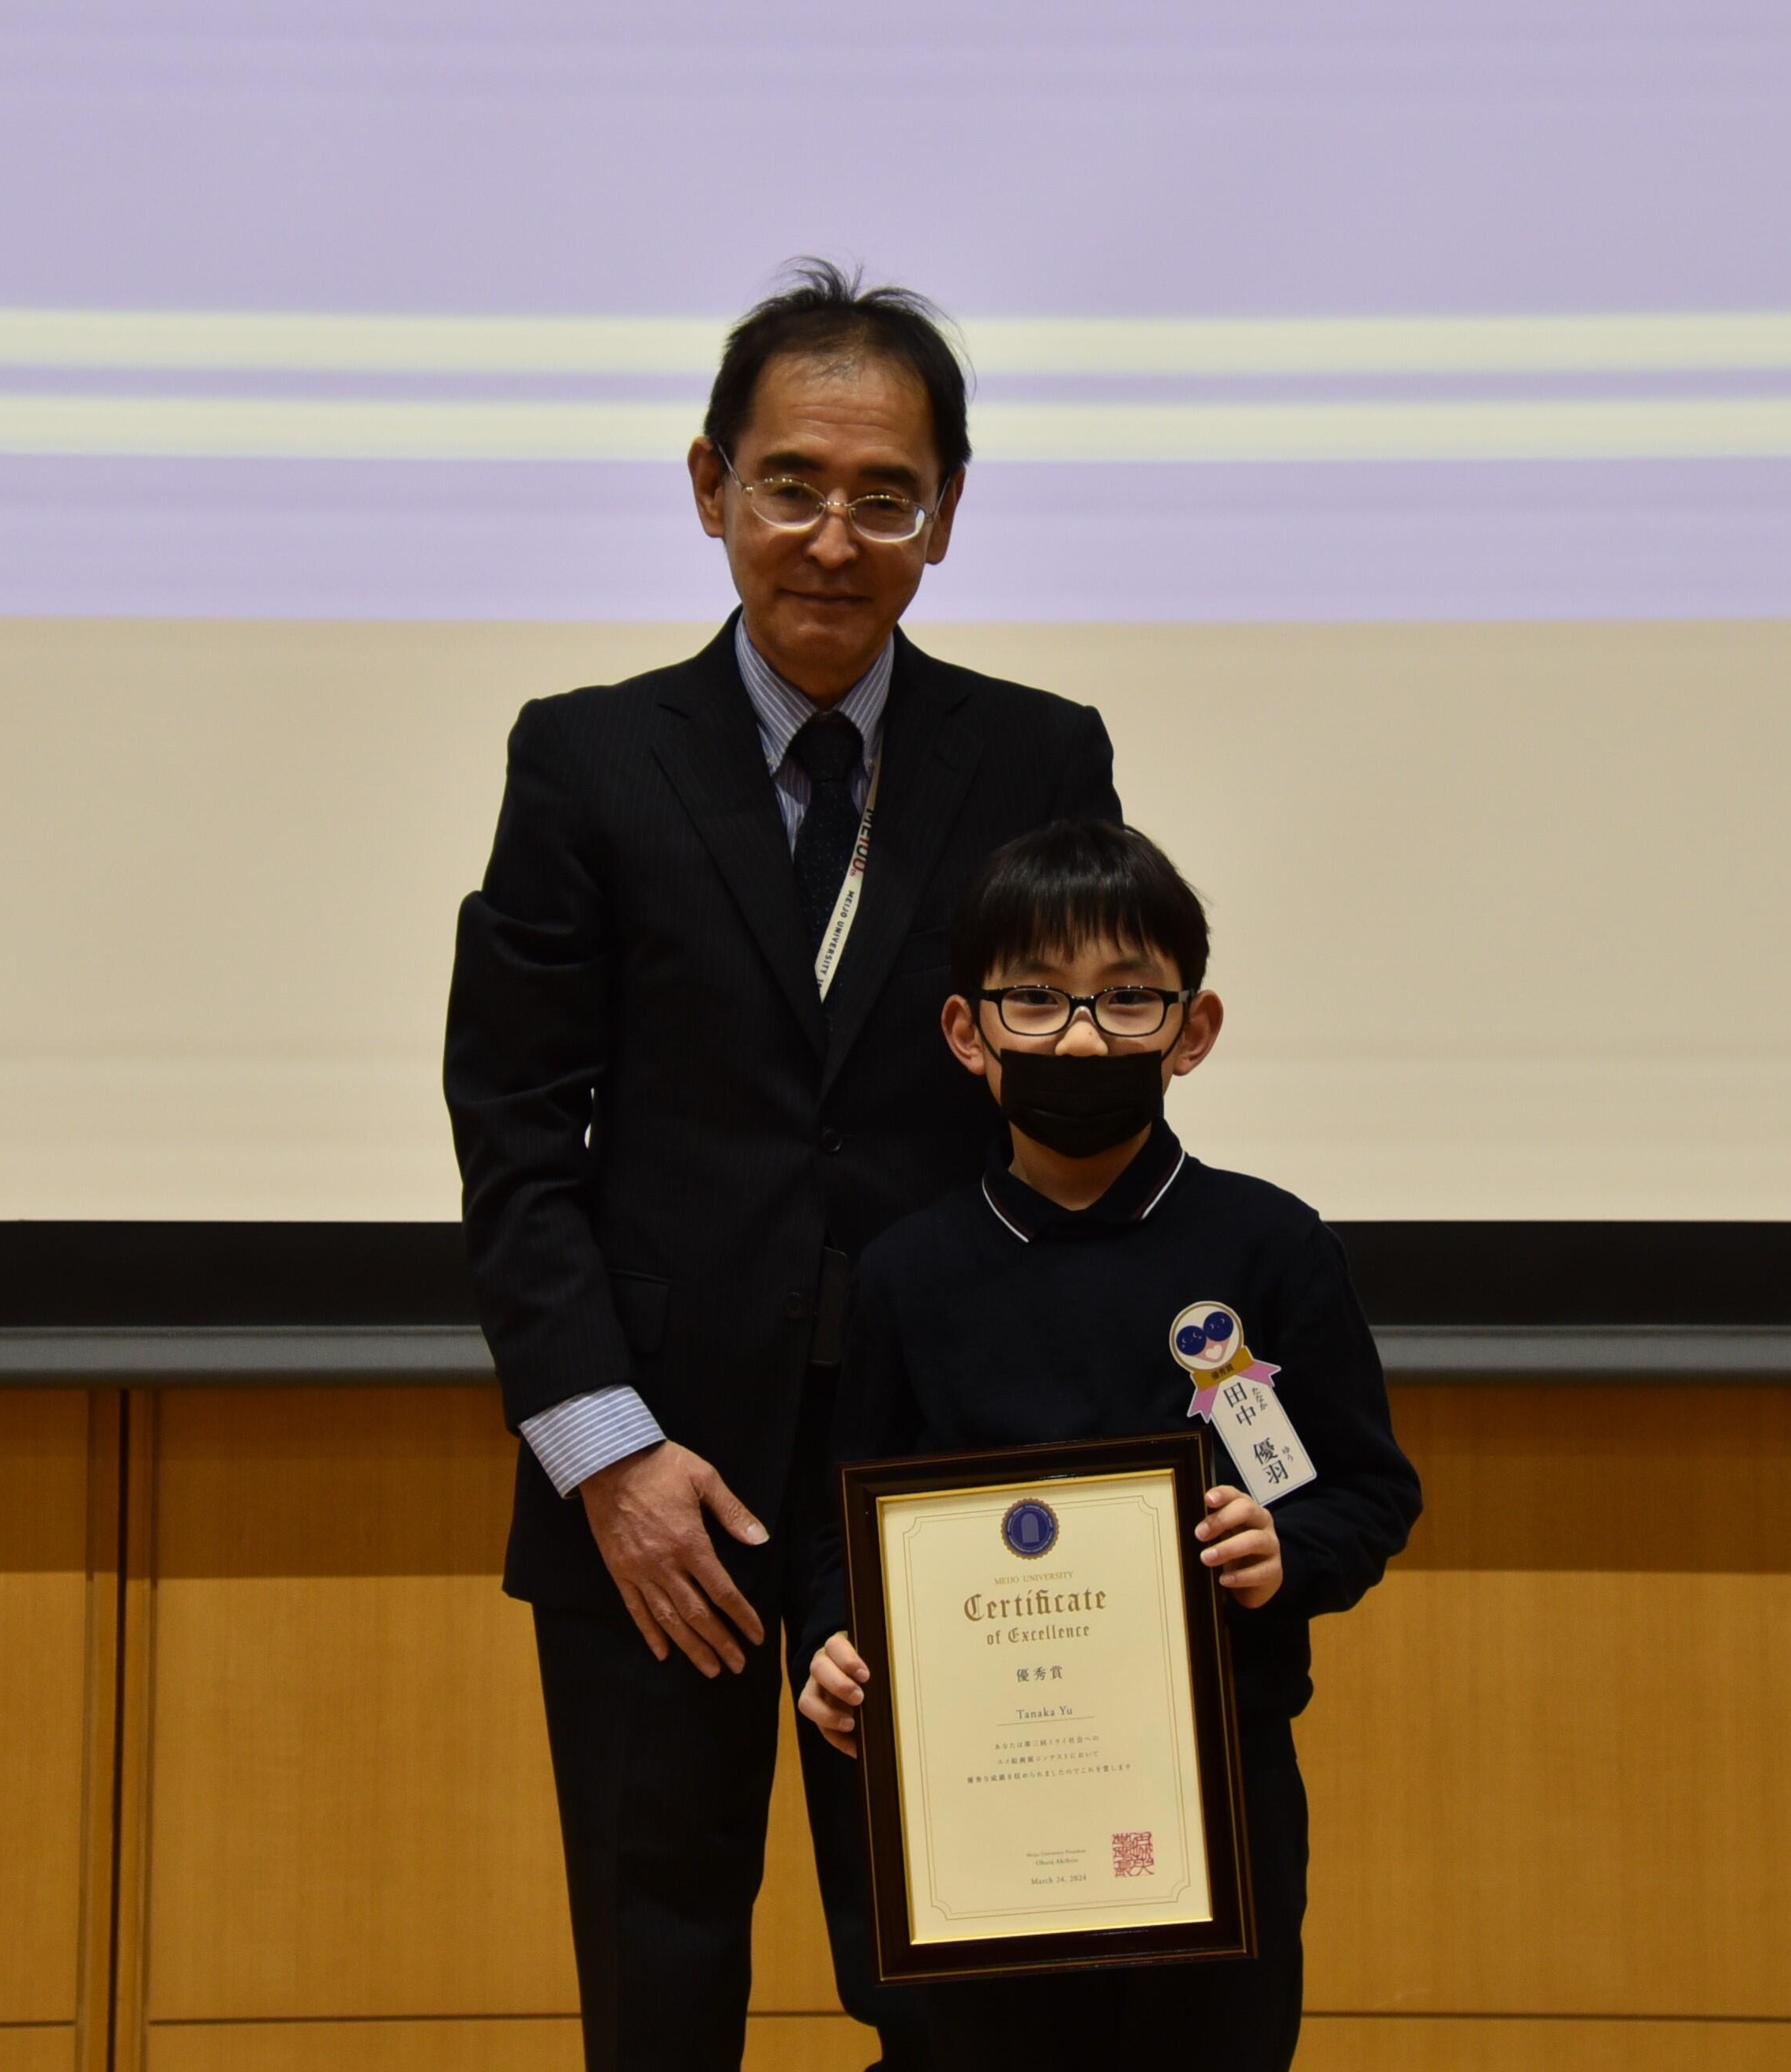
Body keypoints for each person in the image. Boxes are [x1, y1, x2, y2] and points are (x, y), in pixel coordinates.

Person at [443, 261, 1121, 2072]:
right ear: (708, 488)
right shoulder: (585, 761)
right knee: (659, 1976)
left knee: (958, 1974)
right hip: (656, 1482)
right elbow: (515, 1136)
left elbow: (1080, 1101)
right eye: (792, 485)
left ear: (947, 516)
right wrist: (606, 1451)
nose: (835, 536)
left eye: (885, 495)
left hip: (947, 1475)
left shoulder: (1042, 758)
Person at [796, 820, 1421, 2072]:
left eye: (1128, 1001)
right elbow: (834, 1521)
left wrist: (1278, 1550)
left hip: (1213, 1811)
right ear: (969, 1033)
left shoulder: (1269, 1247)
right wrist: (831, 1644)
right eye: (1038, 1000)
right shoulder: (910, 1273)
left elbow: (1366, 1492)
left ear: (1193, 1030)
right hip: (974, 1817)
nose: (1082, 1038)